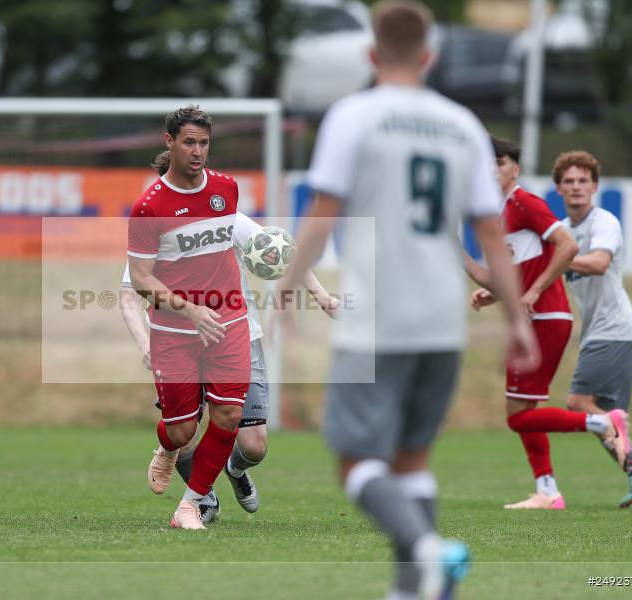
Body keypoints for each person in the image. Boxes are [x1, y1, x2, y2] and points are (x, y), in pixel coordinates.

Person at [275, 3, 540, 598]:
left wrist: (287, 285)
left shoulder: (354, 116)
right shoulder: (461, 124)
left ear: (371, 54)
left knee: (355, 461)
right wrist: (516, 318)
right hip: (442, 319)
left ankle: (426, 550)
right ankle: (413, 589)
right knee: (412, 462)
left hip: (377, 315)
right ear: (430, 56)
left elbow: (323, 212)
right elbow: (489, 230)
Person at [122, 150, 338, 522]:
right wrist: (145, 343)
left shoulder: (225, 216)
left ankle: (235, 470)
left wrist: (321, 296)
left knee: (253, 445)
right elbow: (129, 294)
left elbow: (279, 252)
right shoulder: (154, 224)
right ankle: (199, 500)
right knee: (183, 433)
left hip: (238, 334)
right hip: (178, 340)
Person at [467, 138, 631, 510]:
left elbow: (567, 246)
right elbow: (506, 277)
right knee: (521, 411)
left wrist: (533, 292)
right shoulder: (501, 213)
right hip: (535, 316)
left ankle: (601, 423)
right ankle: (547, 490)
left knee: (518, 417)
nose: (491, 169)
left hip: (544, 317)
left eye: (500, 162)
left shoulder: (524, 202)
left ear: (515, 169)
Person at [127, 105, 255, 530]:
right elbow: (141, 279)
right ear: (170, 142)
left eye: (204, 143)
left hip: (229, 321)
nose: (197, 151)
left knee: (229, 416)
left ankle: (190, 505)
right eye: (189, 142)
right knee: (182, 432)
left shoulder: (226, 188)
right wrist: (191, 309)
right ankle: (167, 447)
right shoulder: (149, 207)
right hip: (174, 330)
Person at [554, 150, 632, 509]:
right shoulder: (561, 232)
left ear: (595, 186)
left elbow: (598, 263)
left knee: (578, 403)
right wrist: (494, 293)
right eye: (569, 181)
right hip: (602, 332)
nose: (576, 187)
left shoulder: (604, 222)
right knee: (606, 422)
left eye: (583, 180)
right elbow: (538, 272)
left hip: (613, 328)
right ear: (558, 189)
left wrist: (558, 259)